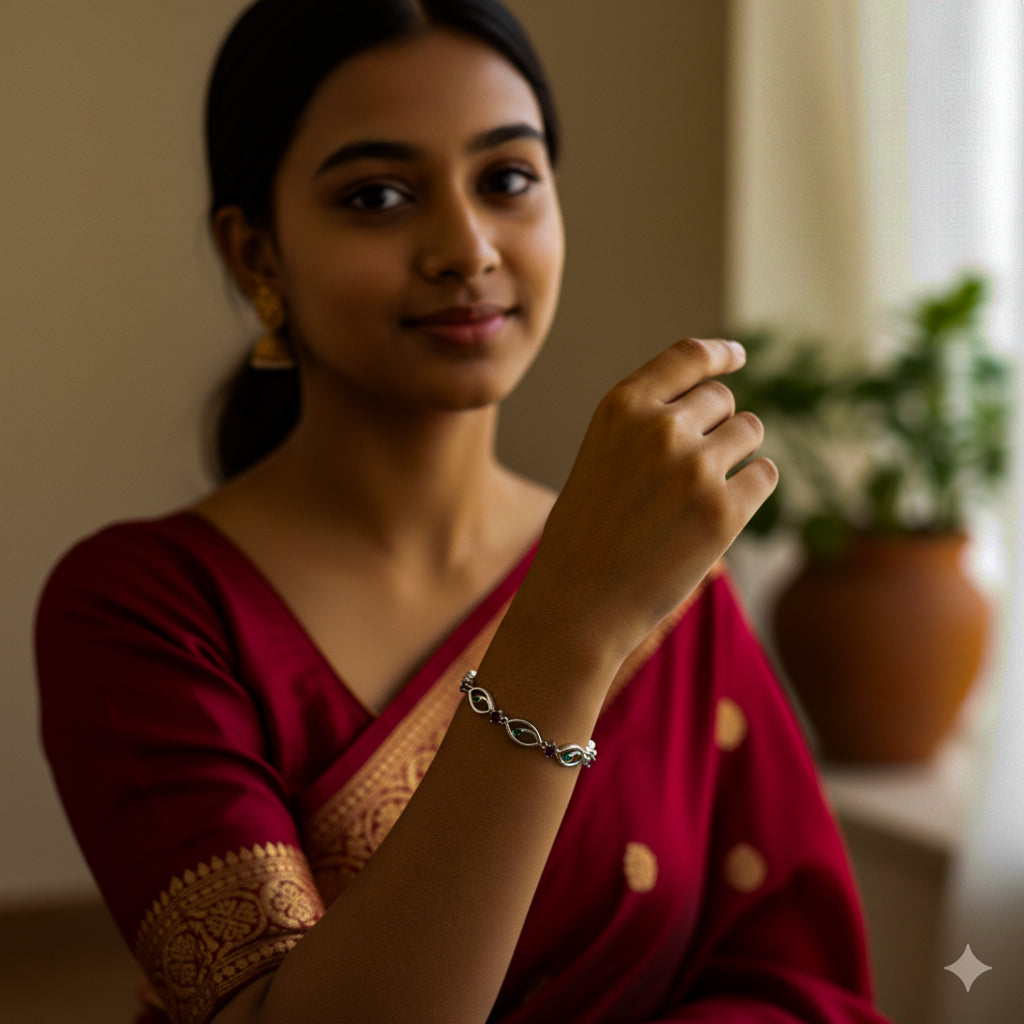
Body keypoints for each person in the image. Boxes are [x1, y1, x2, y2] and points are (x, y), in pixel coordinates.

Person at [35, 2, 892, 1022]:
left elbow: (789, 979)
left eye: (508, 179)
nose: (466, 245)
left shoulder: (665, 583)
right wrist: (571, 625)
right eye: (379, 194)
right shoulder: (140, 609)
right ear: (257, 256)